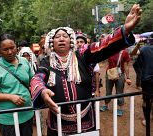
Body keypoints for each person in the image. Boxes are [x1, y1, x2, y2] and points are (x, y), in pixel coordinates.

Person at [30, 4, 141, 135]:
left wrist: (125, 30)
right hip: (58, 123)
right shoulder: (46, 62)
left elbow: (103, 46)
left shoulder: (83, 54)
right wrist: (42, 91)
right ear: (52, 43)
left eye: (65, 36)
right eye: (57, 36)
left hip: (86, 119)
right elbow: (37, 79)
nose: (61, 38)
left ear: (71, 41)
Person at [0, 34, 34, 136]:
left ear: (16, 46)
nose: (10, 52)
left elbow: (32, 81)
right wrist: (10, 97)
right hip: (8, 118)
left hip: (27, 113)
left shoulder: (24, 61)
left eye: (12, 48)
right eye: (5, 49)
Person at [100, 49, 132, 116]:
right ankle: (106, 105)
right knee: (108, 91)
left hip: (120, 75)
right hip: (110, 74)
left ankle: (120, 108)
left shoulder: (124, 53)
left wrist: (128, 77)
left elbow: (126, 66)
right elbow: (106, 61)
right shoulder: (110, 51)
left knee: (119, 92)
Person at [136, 37, 153, 126]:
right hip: (147, 79)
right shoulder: (145, 48)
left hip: (147, 79)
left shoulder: (145, 48)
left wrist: (138, 45)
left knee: (146, 100)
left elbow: (134, 53)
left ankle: (147, 120)